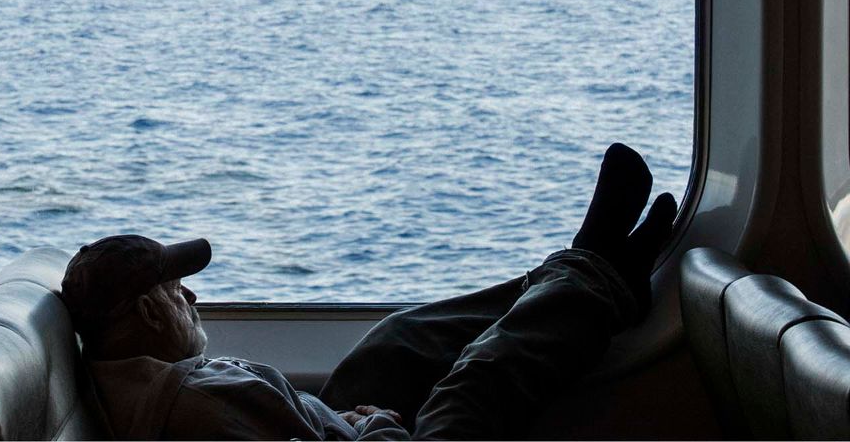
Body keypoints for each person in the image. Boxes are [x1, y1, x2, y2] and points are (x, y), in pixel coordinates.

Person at [58, 143, 678, 440]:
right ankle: (595, 277)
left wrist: (342, 416)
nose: (193, 301)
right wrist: (379, 427)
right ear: (146, 309)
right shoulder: (193, 412)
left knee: (394, 342)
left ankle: (579, 269)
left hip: (339, 432)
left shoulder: (151, 381)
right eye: (178, 290)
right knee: (478, 383)